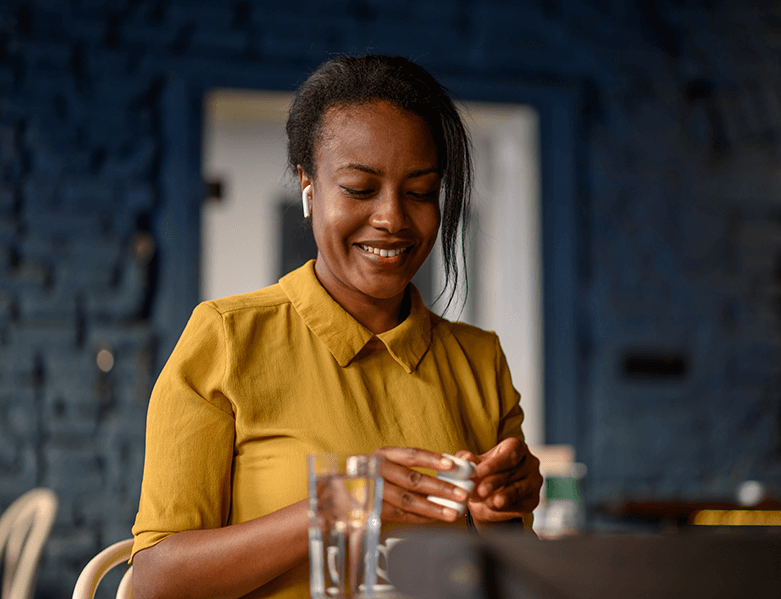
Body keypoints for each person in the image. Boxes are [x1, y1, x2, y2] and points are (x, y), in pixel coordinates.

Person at [131, 55, 542, 599]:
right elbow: (156, 582)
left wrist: (502, 514)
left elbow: (511, 579)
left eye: (419, 191)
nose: (392, 217)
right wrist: (337, 503)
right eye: (359, 188)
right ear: (308, 184)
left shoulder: (479, 359)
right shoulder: (228, 339)